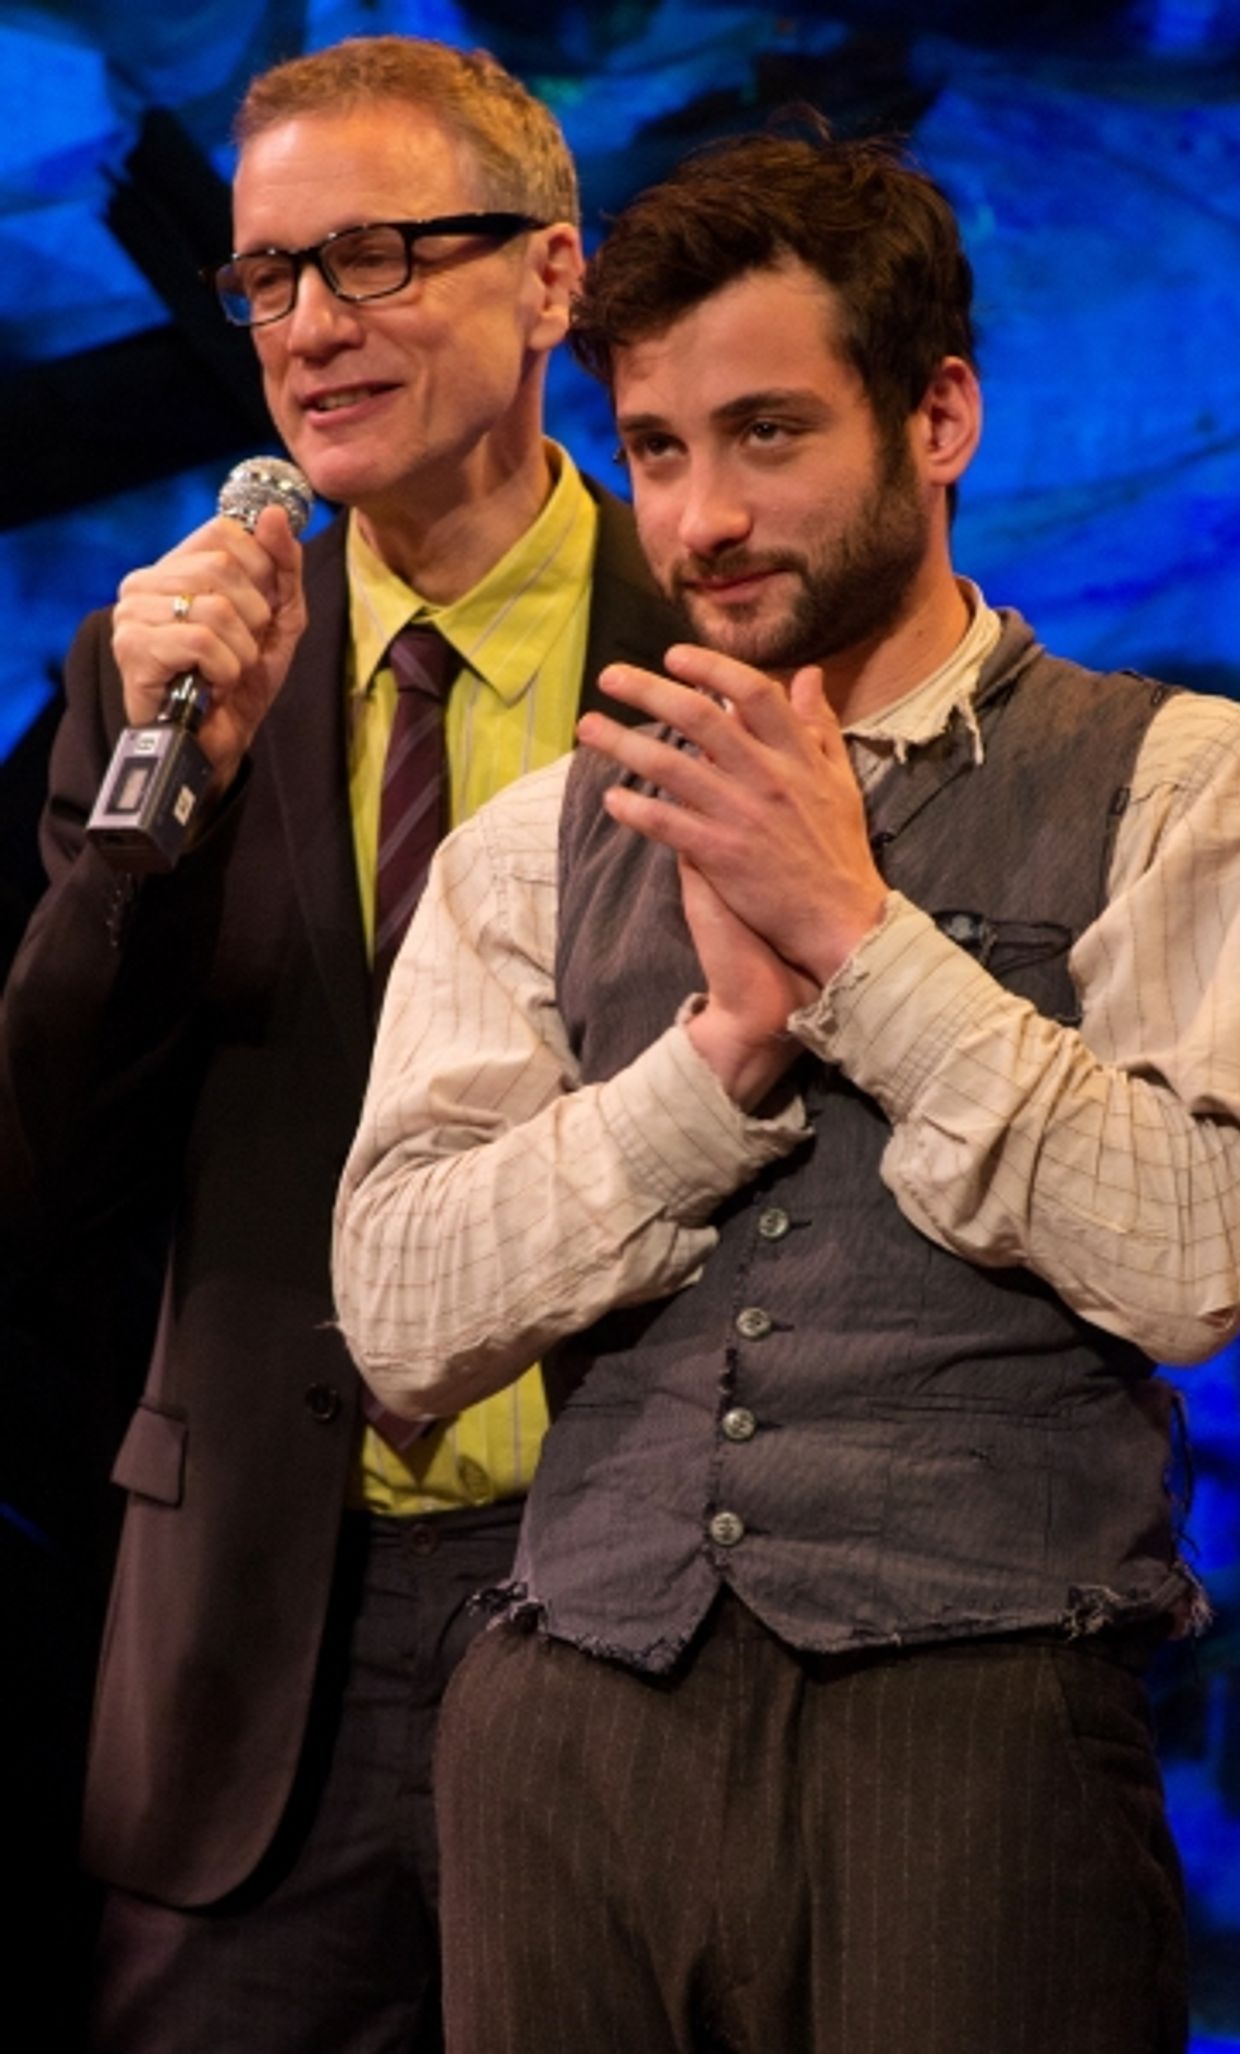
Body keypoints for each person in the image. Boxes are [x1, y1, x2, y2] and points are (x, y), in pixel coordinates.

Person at [332, 131, 1240, 2053]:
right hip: (565, 1734)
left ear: (938, 414)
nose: (701, 515)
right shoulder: (538, 843)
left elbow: (1194, 1256)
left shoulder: (1187, 777)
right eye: (658, 449)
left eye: (768, 432)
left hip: (968, 1738)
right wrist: (712, 1066)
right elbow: (397, 1317)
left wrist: (859, 949)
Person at [0, 33, 680, 2054]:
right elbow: (40, 1166)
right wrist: (156, 822)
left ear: (552, 280)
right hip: (256, 1670)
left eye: (374, 257)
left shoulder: (723, 645)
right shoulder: (167, 678)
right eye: (267, 277)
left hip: (633, 1617)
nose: (309, 326)